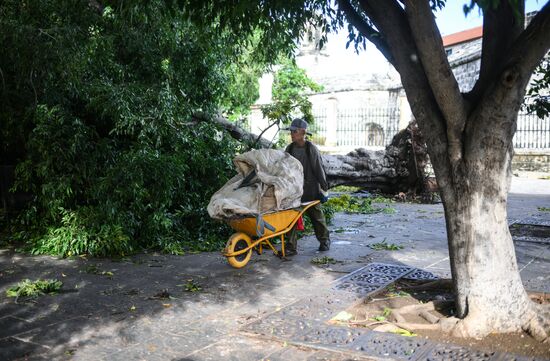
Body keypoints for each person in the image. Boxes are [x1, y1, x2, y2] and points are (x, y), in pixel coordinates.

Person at [284, 118, 330, 256]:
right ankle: (291, 247)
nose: (292, 134)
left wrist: (324, 188)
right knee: (291, 218)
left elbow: (318, 169)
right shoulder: (289, 149)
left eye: (295, 131)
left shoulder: (311, 149)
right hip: (294, 191)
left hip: (310, 190)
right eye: (291, 131)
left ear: (303, 132)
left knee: (317, 217)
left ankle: (324, 241)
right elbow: (284, 169)